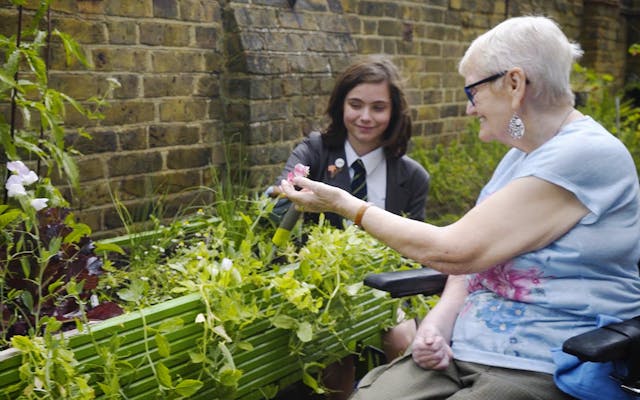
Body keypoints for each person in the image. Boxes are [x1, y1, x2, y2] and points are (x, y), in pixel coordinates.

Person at [279, 16, 640, 400]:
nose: (470, 110)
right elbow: (474, 260)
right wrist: (438, 321)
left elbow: (455, 250)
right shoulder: (523, 156)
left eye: (473, 93)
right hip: (465, 349)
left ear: (515, 84)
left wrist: (346, 204)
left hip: (545, 359)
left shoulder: (585, 154)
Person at [267, 55, 431, 399]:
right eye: (355, 104)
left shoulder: (412, 178)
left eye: (378, 107)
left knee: (403, 341)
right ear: (341, 105)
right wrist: (287, 192)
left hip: (383, 288)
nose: (366, 117)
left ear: (394, 113)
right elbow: (284, 193)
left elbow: (412, 251)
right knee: (335, 357)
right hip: (324, 289)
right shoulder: (315, 151)